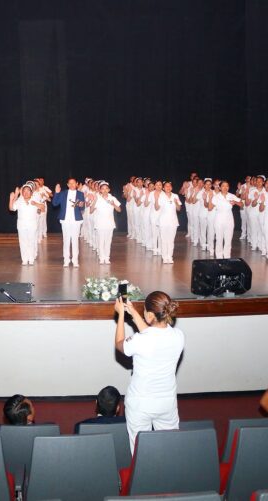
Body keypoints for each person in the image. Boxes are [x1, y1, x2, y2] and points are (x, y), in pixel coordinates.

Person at [114, 291, 184, 453]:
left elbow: (119, 344)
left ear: (151, 315)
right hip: (167, 403)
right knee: (169, 450)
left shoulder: (140, 340)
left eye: (145, 310)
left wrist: (121, 316)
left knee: (140, 452)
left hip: (140, 404)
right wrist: (133, 312)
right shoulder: (178, 336)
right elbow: (152, 334)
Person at [53, 178, 86, 267]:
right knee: (66, 240)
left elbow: (82, 208)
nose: (71, 185)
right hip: (65, 220)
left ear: (76, 184)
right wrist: (56, 192)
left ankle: (75, 260)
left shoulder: (80, 194)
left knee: (75, 240)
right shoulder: (63, 193)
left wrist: (81, 205)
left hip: (76, 220)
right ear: (67, 185)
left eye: (73, 183)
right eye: (70, 183)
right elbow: (55, 203)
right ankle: (66, 260)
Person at [9, 184, 43, 265]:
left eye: (28, 191)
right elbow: (11, 208)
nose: (26, 192)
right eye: (24, 191)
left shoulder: (34, 199)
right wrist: (11, 199)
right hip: (21, 224)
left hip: (32, 224)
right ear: (22, 192)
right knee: (23, 242)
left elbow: (42, 207)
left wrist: (36, 204)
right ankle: (24, 259)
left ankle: (31, 259)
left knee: (31, 241)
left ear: (31, 192)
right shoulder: (19, 201)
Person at [88, 181, 121, 264]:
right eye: (103, 189)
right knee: (101, 241)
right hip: (100, 223)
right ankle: (101, 258)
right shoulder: (97, 199)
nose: (105, 190)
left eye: (106, 189)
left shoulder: (112, 198)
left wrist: (113, 204)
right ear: (100, 190)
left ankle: (107, 257)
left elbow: (119, 210)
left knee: (108, 241)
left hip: (110, 224)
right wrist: (95, 201)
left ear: (109, 190)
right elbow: (91, 211)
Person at [155, 182, 182, 264]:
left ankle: (169, 257)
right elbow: (156, 208)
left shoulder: (175, 196)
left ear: (171, 187)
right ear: (163, 188)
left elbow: (179, 209)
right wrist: (156, 199)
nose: (168, 187)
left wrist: (176, 202)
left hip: (173, 221)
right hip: (163, 221)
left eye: (169, 186)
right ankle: (164, 257)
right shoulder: (161, 196)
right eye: (166, 186)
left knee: (171, 240)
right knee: (163, 240)